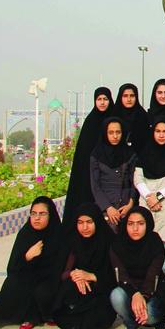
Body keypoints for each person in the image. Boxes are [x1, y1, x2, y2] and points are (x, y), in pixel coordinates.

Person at [0, 196, 62, 329]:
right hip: (28, 276)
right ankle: (27, 315)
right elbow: (12, 268)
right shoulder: (25, 234)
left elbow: (61, 265)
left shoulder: (59, 234)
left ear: (51, 215)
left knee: (43, 291)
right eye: (33, 214)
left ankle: (44, 314)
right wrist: (27, 257)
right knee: (13, 283)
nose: (37, 218)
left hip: (51, 279)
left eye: (42, 214)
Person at [51, 202, 116, 329]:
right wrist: (75, 274)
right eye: (80, 223)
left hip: (102, 290)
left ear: (97, 221)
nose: (84, 227)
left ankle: (81, 321)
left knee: (103, 314)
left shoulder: (109, 241)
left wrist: (92, 276)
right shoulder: (73, 240)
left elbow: (116, 276)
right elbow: (62, 272)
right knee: (67, 290)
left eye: (89, 222)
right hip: (79, 287)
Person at [109, 207, 165, 329]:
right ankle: (131, 324)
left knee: (150, 315)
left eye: (140, 224)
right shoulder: (118, 243)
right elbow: (121, 274)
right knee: (116, 295)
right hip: (129, 288)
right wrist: (135, 293)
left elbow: (153, 274)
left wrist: (143, 296)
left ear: (148, 224)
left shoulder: (154, 241)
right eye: (131, 224)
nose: (135, 229)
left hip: (153, 289)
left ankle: (155, 323)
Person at [134, 118, 165, 274]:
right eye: (158, 131)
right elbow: (138, 178)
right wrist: (150, 197)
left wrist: (159, 196)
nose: (161, 135)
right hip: (147, 203)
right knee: (147, 254)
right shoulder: (145, 151)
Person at [63, 87, 114, 226]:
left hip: (111, 176)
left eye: (105, 99)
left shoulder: (114, 121)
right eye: (99, 99)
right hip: (90, 175)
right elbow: (83, 154)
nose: (102, 102)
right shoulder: (90, 122)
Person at [90, 117, 137, 231]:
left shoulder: (130, 153)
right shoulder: (97, 154)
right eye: (111, 133)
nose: (115, 136)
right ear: (105, 134)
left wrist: (130, 204)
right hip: (105, 206)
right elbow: (95, 185)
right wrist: (108, 207)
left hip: (126, 205)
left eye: (118, 132)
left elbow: (134, 181)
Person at [111, 83, 149, 153]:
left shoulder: (143, 116)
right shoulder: (113, 116)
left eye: (132, 96)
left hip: (140, 156)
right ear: (120, 97)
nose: (129, 99)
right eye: (125, 96)